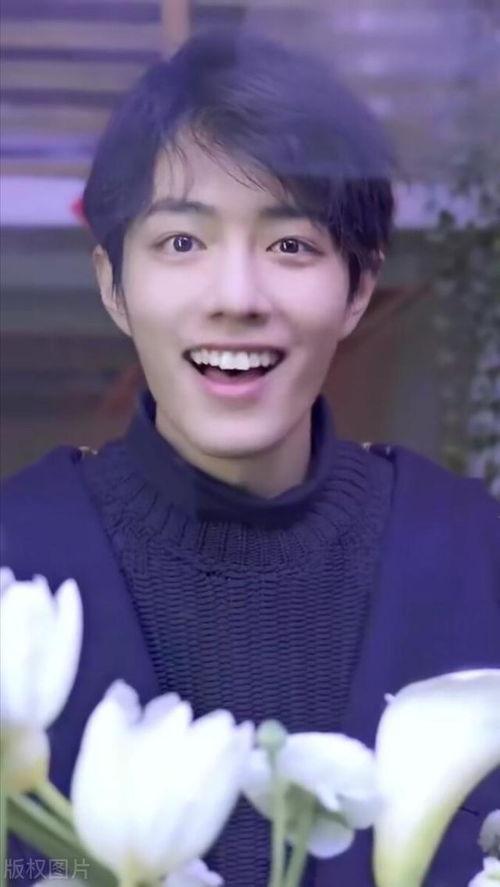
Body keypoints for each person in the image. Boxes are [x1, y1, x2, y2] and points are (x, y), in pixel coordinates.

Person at [2, 27, 499, 887]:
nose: (237, 297)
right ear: (112, 284)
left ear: (359, 287)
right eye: (182, 242)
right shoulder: (15, 553)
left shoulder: (472, 554)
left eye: (291, 245)